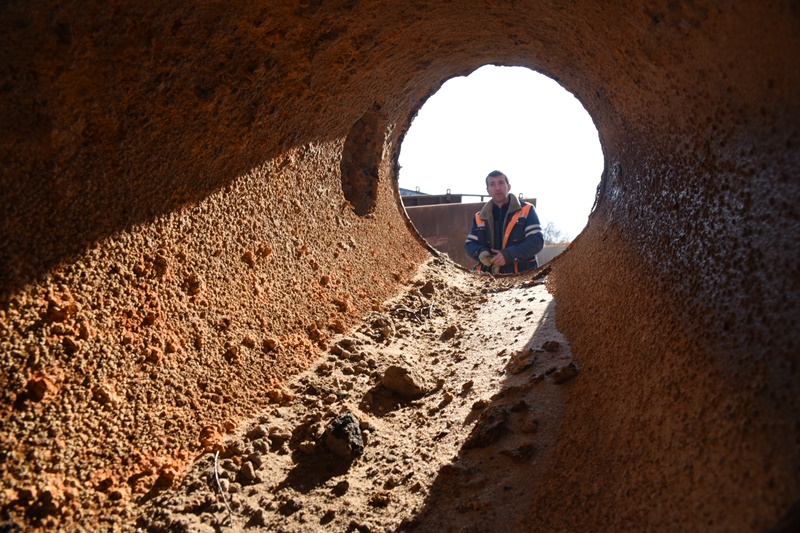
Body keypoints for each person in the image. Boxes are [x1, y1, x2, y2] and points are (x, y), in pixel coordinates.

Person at [464, 170, 544, 274]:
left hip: (521, 278)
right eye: (492, 184)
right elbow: (470, 244)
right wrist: (480, 252)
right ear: (488, 190)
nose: (497, 188)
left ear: (509, 187)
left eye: (501, 183)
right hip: (488, 279)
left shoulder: (527, 210)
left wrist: (509, 255)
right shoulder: (479, 217)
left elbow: (536, 241)